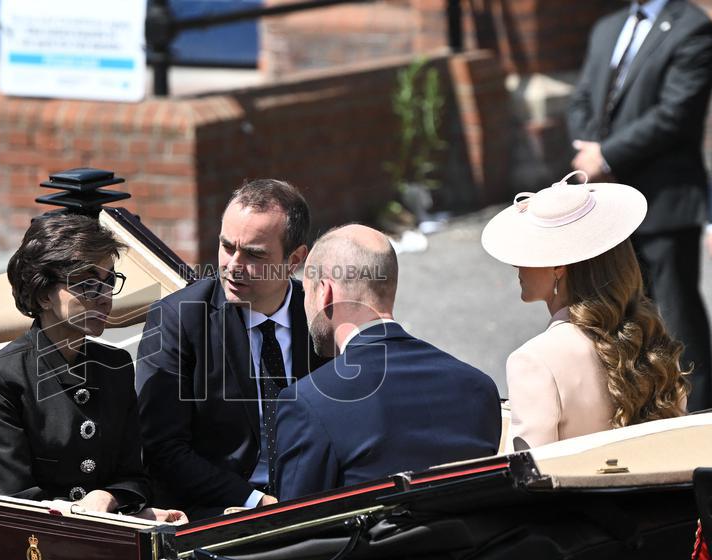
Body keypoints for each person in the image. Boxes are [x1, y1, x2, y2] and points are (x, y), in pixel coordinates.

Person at [0, 212, 184, 522]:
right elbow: (14, 499)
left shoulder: (115, 366)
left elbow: (135, 476)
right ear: (43, 295)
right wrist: (82, 512)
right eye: (88, 285)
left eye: (109, 282)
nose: (105, 297)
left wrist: (109, 497)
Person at [135, 179, 325, 517]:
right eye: (227, 246)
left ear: (294, 259)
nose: (233, 265)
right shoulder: (180, 319)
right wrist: (259, 503)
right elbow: (162, 448)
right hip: (216, 511)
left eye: (254, 254)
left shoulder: (320, 313)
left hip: (315, 501)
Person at [274, 225, 501, 500]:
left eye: (306, 293)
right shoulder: (477, 387)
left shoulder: (309, 404)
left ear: (325, 293)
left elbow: (292, 530)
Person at [566, 0, 712, 411]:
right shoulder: (607, 27)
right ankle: (641, 410)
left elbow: (675, 114)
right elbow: (581, 99)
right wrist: (588, 151)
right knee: (622, 314)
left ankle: (701, 415)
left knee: (677, 318)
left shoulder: (691, 27)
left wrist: (607, 155)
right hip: (607, 202)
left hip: (664, 201)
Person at [481, 172, 688, 449]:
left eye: (527, 253)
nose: (516, 266)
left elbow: (530, 479)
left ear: (558, 266)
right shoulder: (653, 338)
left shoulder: (533, 361)